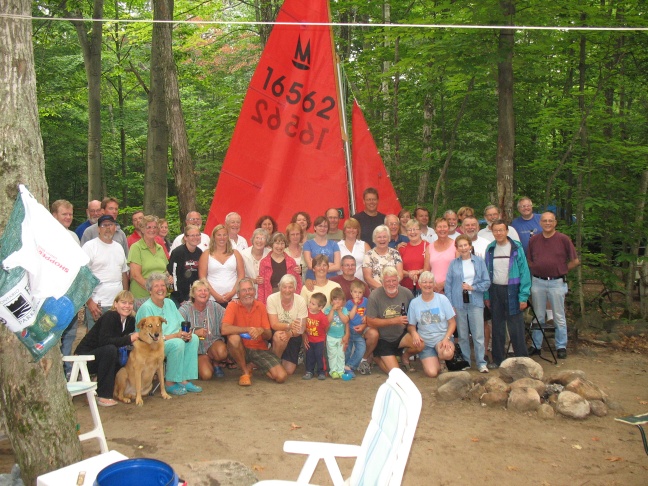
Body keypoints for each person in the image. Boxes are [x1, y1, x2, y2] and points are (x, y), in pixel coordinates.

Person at [136, 273, 202, 395]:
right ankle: (170, 382)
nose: (160, 289)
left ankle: (183, 379)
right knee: (177, 343)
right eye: (156, 286)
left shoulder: (170, 303)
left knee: (193, 338)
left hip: (173, 339)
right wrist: (176, 336)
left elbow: (180, 323)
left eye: (163, 285)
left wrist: (184, 333)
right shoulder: (147, 308)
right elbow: (147, 338)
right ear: (150, 290)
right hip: (152, 346)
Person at [527, 212, 580, 359]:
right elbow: (529, 260)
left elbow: (575, 261)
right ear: (540, 223)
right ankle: (536, 345)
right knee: (538, 315)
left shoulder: (563, 239)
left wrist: (562, 270)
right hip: (538, 282)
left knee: (559, 316)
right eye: (545, 221)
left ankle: (561, 345)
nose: (547, 223)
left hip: (557, 282)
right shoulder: (534, 240)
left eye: (550, 221)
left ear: (555, 223)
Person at [74, 290, 138, 407]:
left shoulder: (130, 321)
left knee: (122, 353)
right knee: (111, 350)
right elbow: (105, 341)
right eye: (123, 303)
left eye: (130, 303)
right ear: (115, 304)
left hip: (101, 356)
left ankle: (102, 387)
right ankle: (103, 395)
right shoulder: (110, 316)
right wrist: (129, 339)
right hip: (84, 357)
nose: (127, 306)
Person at [220, 278, 287, 386]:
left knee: (281, 377)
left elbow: (268, 334)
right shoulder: (232, 305)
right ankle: (244, 371)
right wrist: (247, 329)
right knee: (233, 338)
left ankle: (252, 365)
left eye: (250, 289)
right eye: (244, 290)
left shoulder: (260, 306)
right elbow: (224, 329)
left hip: (258, 349)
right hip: (240, 349)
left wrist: (261, 331)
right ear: (238, 294)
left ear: (255, 291)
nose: (248, 293)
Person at [484, 220, 531, 369]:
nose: (498, 233)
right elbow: (486, 273)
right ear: (492, 232)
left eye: (501, 230)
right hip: (495, 290)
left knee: (516, 326)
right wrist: (486, 296)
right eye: (495, 231)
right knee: (497, 327)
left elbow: (524, 272)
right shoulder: (490, 249)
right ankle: (498, 360)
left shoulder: (516, 248)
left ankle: (523, 360)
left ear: (506, 231)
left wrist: (523, 296)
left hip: (513, 290)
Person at [445, 235, 491, 373]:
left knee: (478, 334)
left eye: (466, 245)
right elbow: (448, 285)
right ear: (457, 248)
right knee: (463, 335)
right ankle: (466, 362)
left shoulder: (479, 262)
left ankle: (481, 362)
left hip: (475, 301)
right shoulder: (453, 264)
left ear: (470, 246)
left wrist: (473, 287)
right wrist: (450, 304)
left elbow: (486, 282)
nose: (464, 248)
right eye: (460, 246)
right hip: (458, 302)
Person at [366, 267, 422, 374]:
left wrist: (414, 332)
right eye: (388, 281)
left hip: (401, 336)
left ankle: (404, 356)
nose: (391, 284)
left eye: (394, 280)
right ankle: (376, 357)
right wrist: (394, 321)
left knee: (420, 344)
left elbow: (413, 316)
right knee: (395, 373)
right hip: (383, 339)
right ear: (382, 282)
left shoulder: (406, 293)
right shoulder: (375, 295)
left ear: (398, 280)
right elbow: (370, 321)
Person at [82, 214, 129, 330]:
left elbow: (123, 274)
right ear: (98, 228)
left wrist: (125, 298)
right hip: (98, 304)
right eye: (104, 225)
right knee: (96, 341)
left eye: (111, 225)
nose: (108, 228)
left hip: (117, 304)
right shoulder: (90, 247)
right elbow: (82, 277)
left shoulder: (119, 247)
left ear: (115, 227)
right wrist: (90, 302)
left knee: (116, 338)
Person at [407, 271, 457, 378]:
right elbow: (411, 325)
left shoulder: (442, 299)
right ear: (420, 285)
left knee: (447, 354)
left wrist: (446, 338)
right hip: (425, 342)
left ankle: (442, 359)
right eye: (424, 282)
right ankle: (435, 360)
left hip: (442, 338)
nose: (427, 285)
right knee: (432, 373)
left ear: (434, 284)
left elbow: (452, 322)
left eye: (430, 282)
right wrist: (414, 334)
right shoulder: (414, 303)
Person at [51, 199, 81, 374]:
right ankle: (55, 370)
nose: (68, 217)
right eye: (64, 214)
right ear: (54, 215)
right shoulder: (46, 236)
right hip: (53, 294)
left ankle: (67, 368)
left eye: (70, 214)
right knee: (55, 332)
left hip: (71, 293)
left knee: (70, 333)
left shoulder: (73, 237)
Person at [179, 279, 228, 380]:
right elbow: (177, 330)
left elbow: (228, 316)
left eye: (206, 290)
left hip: (212, 343)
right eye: (199, 290)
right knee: (206, 375)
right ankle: (200, 362)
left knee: (222, 352)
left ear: (209, 294)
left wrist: (234, 304)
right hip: (196, 350)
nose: (203, 293)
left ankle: (215, 363)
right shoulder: (184, 309)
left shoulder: (215, 306)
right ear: (193, 293)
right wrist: (194, 332)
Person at [266, 274, 308, 375]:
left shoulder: (301, 300)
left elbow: (301, 328)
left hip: (294, 334)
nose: (287, 290)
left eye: (290, 287)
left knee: (288, 370)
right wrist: (289, 326)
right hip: (278, 331)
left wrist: (290, 334)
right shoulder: (272, 298)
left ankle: (270, 354)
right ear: (279, 287)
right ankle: (274, 365)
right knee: (279, 336)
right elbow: (274, 324)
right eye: (284, 287)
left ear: (295, 288)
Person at [198, 224, 244, 307]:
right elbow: (202, 278)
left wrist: (232, 293)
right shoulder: (206, 254)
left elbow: (241, 276)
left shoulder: (236, 253)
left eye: (224, 235)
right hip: (212, 298)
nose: (222, 238)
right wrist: (216, 295)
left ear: (228, 236)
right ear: (214, 237)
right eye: (219, 235)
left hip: (234, 298)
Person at [128, 215, 168, 300]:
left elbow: (164, 270)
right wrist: (153, 290)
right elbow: (135, 275)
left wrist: (168, 277)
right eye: (148, 227)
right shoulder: (136, 248)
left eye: (155, 227)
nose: (152, 230)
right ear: (142, 229)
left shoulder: (160, 248)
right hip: (142, 297)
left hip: (160, 296)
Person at [257, 232, 302, 304]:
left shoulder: (291, 262)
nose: (280, 246)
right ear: (272, 244)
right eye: (277, 243)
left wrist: (295, 300)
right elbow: (261, 287)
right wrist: (261, 304)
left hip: (288, 298)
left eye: (282, 243)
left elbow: (298, 283)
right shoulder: (264, 263)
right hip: (271, 299)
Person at [167, 224, 203, 307]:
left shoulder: (199, 252)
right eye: (192, 235)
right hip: (178, 298)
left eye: (198, 235)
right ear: (185, 237)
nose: (195, 237)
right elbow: (172, 276)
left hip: (194, 297)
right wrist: (180, 299)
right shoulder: (178, 253)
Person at [362, 225, 404, 291]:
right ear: (374, 239)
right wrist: (383, 290)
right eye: (379, 237)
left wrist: (391, 287)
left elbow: (400, 275)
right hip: (377, 292)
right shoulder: (369, 255)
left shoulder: (395, 253)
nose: (382, 239)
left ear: (389, 238)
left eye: (384, 237)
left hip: (394, 291)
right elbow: (367, 278)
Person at [423, 218, 457, 294]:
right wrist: (432, 284)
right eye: (439, 227)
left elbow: (458, 270)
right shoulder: (429, 247)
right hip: (433, 289)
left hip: (452, 289)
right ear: (435, 229)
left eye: (444, 226)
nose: (442, 229)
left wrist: (444, 284)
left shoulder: (456, 246)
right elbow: (426, 271)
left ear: (448, 228)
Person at [324, 287, 350, 379]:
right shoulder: (328, 310)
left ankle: (340, 370)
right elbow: (328, 321)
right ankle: (333, 371)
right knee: (332, 354)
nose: (337, 302)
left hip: (341, 337)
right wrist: (332, 310)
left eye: (340, 299)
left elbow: (346, 320)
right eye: (335, 299)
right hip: (330, 336)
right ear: (331, 301)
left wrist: (339, 311)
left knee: (341, 354)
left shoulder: (344, 310)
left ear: (343, 301)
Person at [302, 292, 329, 380]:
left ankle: (321, 371)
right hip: (309, 340)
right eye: (310, 302)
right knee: (309, 355)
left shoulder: (322, 317)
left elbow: (326, 327)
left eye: (313, 304)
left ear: (320, 307)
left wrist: (323, 337)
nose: (310, 305)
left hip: (319, 341)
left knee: (320, 356)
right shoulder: (305, 312)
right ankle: (309, 371)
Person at [344, 280, 368, 377]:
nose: (357, 295)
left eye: (360, 292)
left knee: (361, 348)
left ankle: (350, 365)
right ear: (351, 292)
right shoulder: (349, 303)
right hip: (349, 331)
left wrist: (366, 318)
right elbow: (351, 317)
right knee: (347, 350)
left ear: (363, 293)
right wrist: (355, 305)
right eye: (355, 292)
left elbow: (369, 312)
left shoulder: (366, 301)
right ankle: (344, 366)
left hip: (359, 332)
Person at [399, 220, 428, 292]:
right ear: (406, 232)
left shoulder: (427, 246)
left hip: (425, 288)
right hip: (405, 289)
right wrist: (409, 274)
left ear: (420, 231)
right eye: (409, 230)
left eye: (415, 229)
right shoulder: (402, 248)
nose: (412, 232)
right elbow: (397, 269)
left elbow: (431, 267)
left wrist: (418, 272)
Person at [337, 218, 370, 282]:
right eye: (349, 228)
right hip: (342, 284)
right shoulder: (337, 246)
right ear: (344, 230)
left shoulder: (365, 245)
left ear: (358, 231)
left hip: (361, 284)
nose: (351, 230)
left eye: (354, 228)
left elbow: (370, 267)